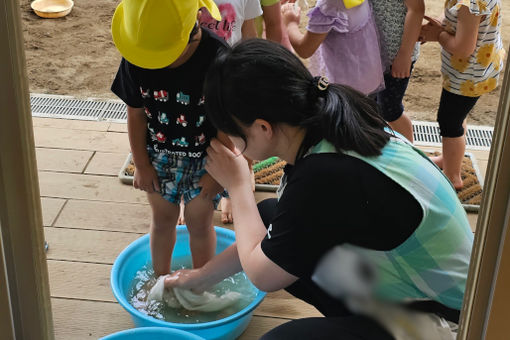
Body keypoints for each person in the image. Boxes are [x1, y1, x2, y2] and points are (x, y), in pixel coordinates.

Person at [164, 39, 473, 339]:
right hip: (421, 288)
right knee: (270, 215)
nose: (233, 144)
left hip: (453, 321)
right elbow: (274, 241)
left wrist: (239, 186)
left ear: (262, 128)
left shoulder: (325, 176)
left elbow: (263, 275)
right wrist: (200, 278)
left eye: (233, 134)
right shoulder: (332, 112)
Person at [110, 0, 231, 275]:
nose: (153, 64)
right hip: (158, 157)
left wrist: (218, 173)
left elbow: (226, 120)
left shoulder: (218, 58)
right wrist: (141, 164)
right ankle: (160, 280)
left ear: (194, 28)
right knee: (163, 218)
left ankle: (201, 282)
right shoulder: (136, 56)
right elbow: (136, 114)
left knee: (199, 221)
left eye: (162, 55)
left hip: (206, 158)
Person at [420, 0, 503, 190]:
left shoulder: (470, 5)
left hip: (467, 76)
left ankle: (452, 176)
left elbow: (463, 48)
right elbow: (454, 18)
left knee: (449, 122)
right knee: (457, 115)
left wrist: (438, 35)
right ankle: (448, 158)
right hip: (472, 71)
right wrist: (439, 25)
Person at [200, 0, 263, 224]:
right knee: (196, 132)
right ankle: (187, 194)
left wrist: (253, 73)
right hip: (192, 75)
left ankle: (235, 185)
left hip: (230, 74)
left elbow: (249, 32)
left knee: (238, 129)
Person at [281, 0, 384, 95]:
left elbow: (304, 50)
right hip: (369, 73)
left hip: (344, 86)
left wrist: (290, 24)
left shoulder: (327, 7)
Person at [369, 0, 425, 142]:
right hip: (373, 52)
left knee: (390, 110)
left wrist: (405, 54)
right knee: (372, 105)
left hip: (396, 56)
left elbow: (417, 10)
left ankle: (411, 156)